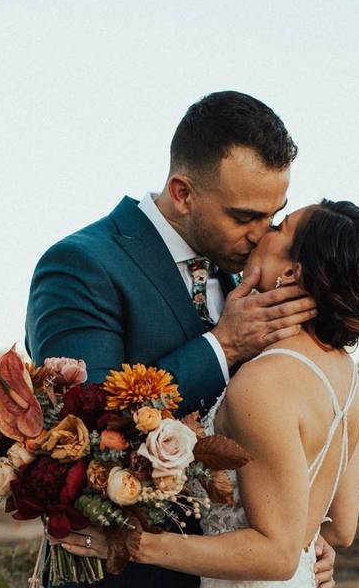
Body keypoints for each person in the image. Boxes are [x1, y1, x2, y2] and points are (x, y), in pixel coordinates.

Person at [25, 91, 336, 587]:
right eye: (244, 217)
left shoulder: (242, 279)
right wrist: (223, 347)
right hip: (120, 574)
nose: (262, 235)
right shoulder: (82, 264)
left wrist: (291, 532)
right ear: (183, 191)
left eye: (273, 216)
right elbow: (86, 422)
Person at [58, 199, 359, 588]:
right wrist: (305, 548)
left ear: (290, 273)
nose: (262, 232)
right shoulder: (345, 376)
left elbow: (277, 554)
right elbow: (341, 527)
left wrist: (132, 543)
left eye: (279, 227)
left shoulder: (263, 381)